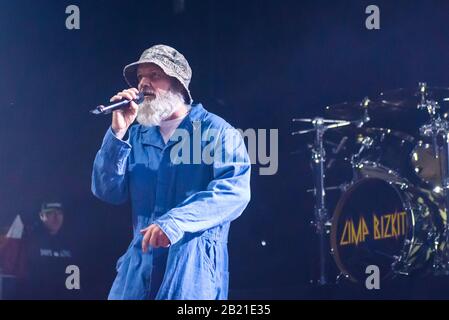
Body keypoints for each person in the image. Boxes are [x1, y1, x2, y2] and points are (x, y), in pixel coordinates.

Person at [91, 44, 251, 300]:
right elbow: (107, 191)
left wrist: (175, 222)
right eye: (141, 77)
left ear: (178, 85)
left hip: (192, 272)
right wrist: (117, 133)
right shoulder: (136, 134)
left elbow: (234, 193)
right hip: (137, 273)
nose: (144, 83)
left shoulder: (217, 132)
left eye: (154, 76)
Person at [19, 202, 80, 299]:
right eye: (51, 213)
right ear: (41, 216)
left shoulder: (70, 243)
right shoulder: (30, 240)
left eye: (59, 213)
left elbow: (75, 277)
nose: (56, 217)